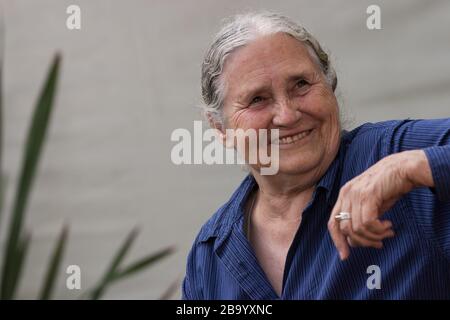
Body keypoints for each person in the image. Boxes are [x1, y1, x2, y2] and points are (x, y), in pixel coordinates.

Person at [182, 12, 450, 299]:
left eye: (301, 84)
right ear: (220, 128)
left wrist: (413, 169)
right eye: (257, 99)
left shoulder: (393, 153)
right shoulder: (210, 254)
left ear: (329, 84)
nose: (287, 115)